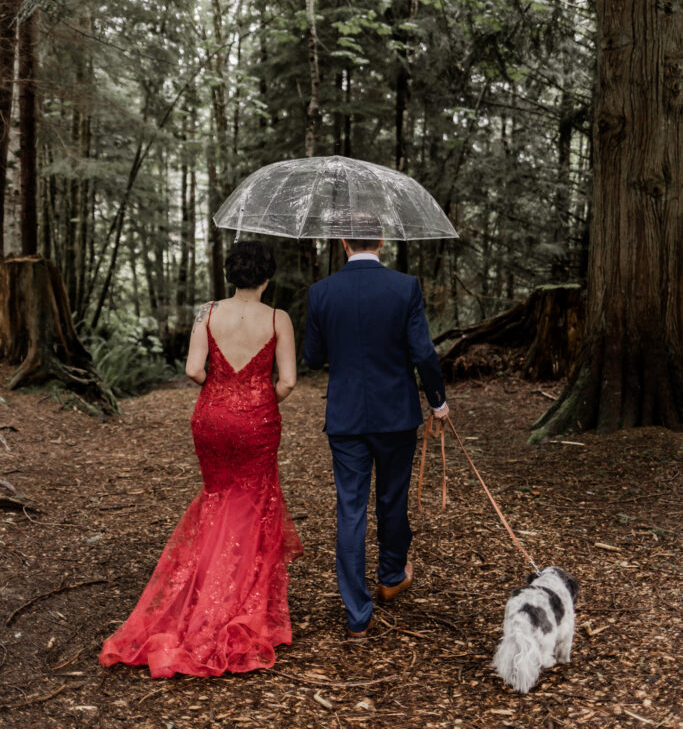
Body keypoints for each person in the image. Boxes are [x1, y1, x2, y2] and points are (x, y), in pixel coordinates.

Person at [99, 241, 302, 678]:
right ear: (267, 277)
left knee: (218, 496)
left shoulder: (206, 313)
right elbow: (287, 382)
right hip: (258, 420)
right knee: (253, 501)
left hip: (211, 417)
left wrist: (222, 393)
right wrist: (257, 399)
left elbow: (193, 370)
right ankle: (238, 599)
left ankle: (202, 592)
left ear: (231, 274)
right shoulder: (277, 319)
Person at [303, 223, 449, 639]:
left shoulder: (322, 292)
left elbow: (313, 357)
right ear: (381, 241)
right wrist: (437, 400)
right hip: (395, 414)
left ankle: (357, 615)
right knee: (392, 497)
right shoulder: (404, 287)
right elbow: (422, 351)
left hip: (346, 417)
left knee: (350, 508)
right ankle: (390, 576)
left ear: (344, 243)